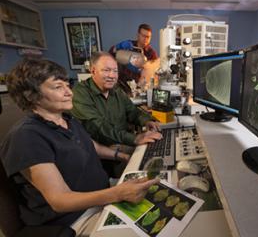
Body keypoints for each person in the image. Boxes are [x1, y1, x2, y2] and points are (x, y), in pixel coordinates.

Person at [0, 58, 159, 235]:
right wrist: (117, 193)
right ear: (31, 95)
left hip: (104, 193)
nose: (69, 93)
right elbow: (60, 200)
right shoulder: (26, 137)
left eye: (67, 85)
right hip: (76, 217)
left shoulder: (67, 119)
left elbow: (92, 147)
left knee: (159, 195)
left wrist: (124, 157)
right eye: (58, 87)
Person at [109, 23, 159, 95]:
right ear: (138, 35)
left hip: (137, 88)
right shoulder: (128, 45)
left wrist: (142, 70)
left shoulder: (151, 54)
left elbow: (153, 74)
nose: (145, 39)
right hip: (121, 84)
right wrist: (117, 47)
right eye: (143, 36)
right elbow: (110, 55)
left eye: (148, 37)